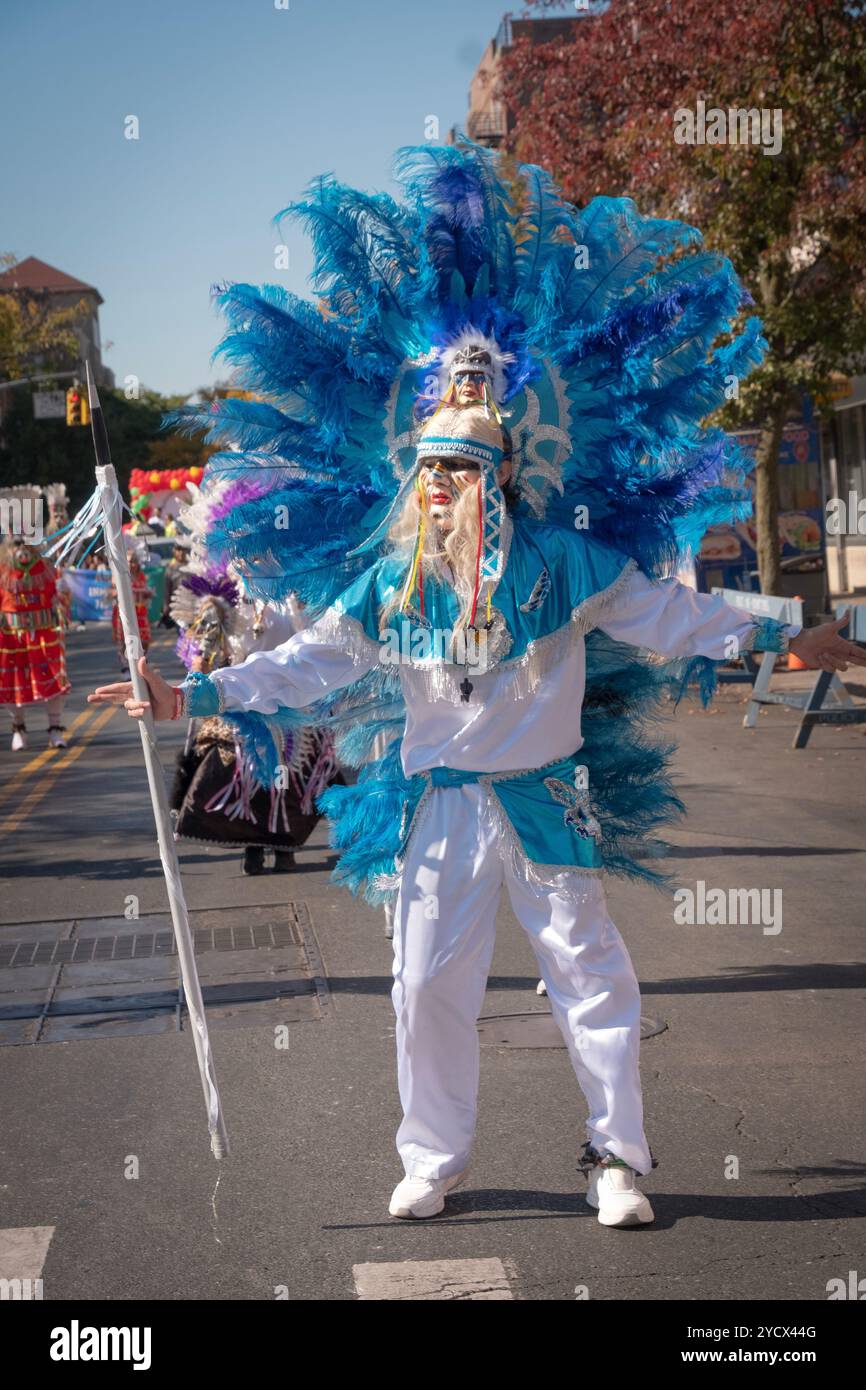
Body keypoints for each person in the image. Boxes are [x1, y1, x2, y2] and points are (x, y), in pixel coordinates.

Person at [88, 141, 866, 1228]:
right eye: (432, 471)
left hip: (550, 793)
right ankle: (432, 1156)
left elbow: (680, 618)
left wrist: (790, 642)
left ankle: (615, 1158)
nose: (445, 487)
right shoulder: (388, 582)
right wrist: (191, 699)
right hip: (440, 803)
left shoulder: (570, 564)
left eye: (462, 468)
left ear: (500, 473)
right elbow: (308, 663)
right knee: (424, 987)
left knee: (590, 976)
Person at [1, 491, 71, 751]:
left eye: (26, 542)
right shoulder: (2, 569)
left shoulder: (47, 567)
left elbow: (60, 600)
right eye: (17, 542)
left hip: (44, 635)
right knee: (14, 685)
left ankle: (55, 729)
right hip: (12, 637)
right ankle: (18, 728)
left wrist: (62, 597)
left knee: (52, 682)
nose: (21, 548)